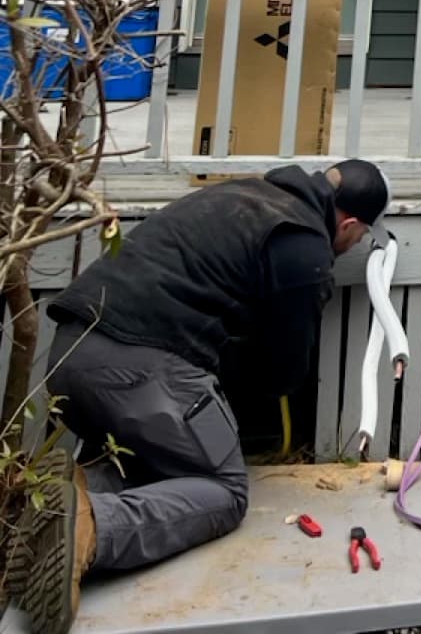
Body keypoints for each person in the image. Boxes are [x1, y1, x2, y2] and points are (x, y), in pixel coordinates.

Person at [18, 158, 390, 634]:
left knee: (161, 468)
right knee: (224, 491)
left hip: (71, 355)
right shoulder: (304, 243)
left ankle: (72, 493)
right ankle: (94, 528)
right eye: (357, 239)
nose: (351, 246)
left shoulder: (245, 196)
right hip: (140, 365)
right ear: (351, 223)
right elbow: (281, 373)